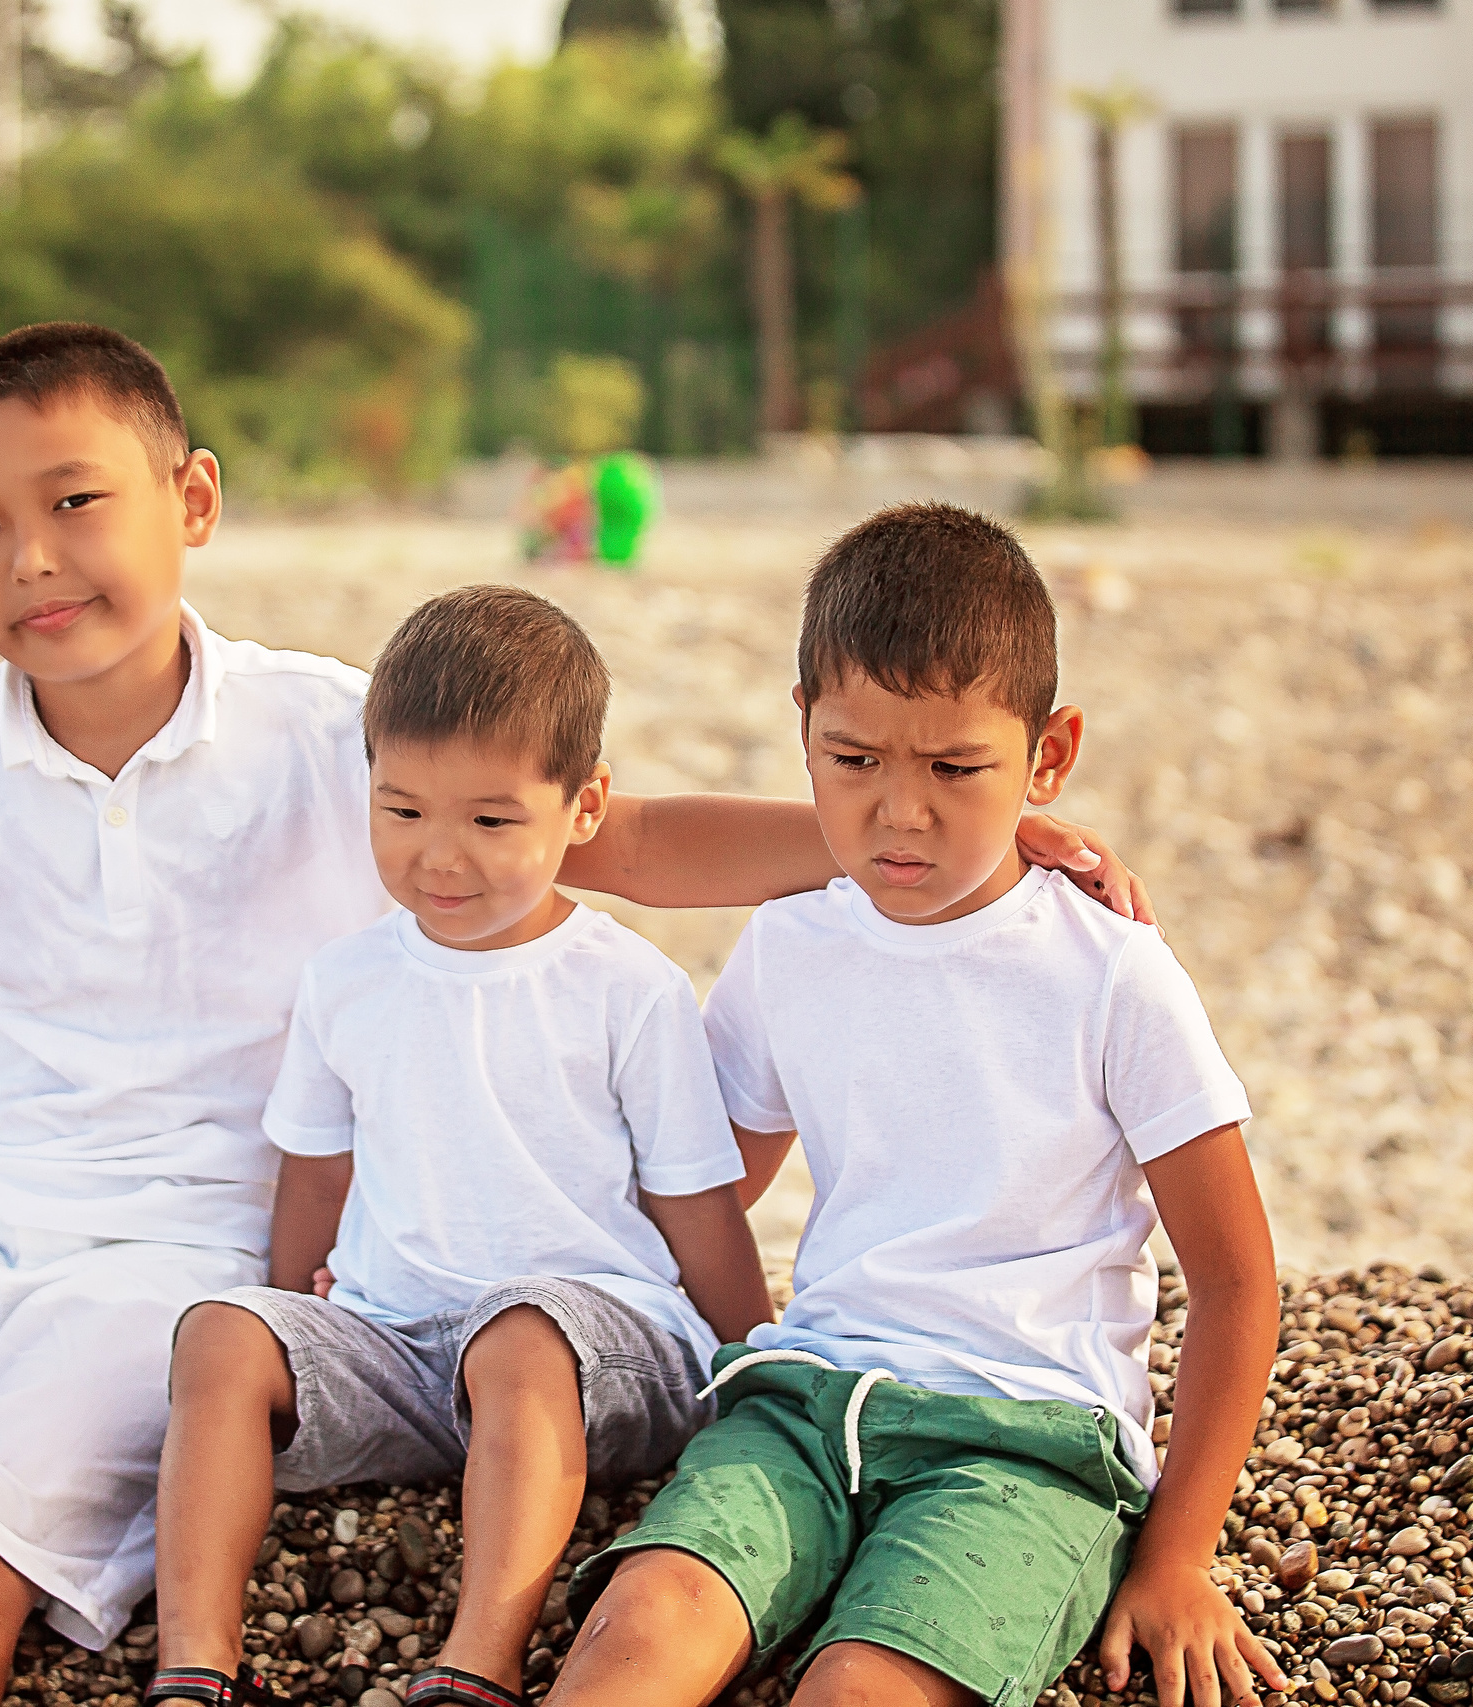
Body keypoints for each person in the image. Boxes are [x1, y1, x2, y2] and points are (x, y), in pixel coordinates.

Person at [0, 324, 1152, 1707]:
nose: (29, 558)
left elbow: (626, 836)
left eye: (75, 503)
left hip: (181, 1242)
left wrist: (947, 831)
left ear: (194, 501)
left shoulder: (332, 730)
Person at [549, 504, 1288, 1707]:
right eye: (855, 761)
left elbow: (1236, 1281)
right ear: (802, 729)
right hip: (803, 1404)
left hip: (1029, 1445)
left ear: (1049, 756)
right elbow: (700, 1190)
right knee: (639, 1632)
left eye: (956, 769)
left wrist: (1177, 1557)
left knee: (857, 1690)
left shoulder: (1110, 971)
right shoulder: (790, 943)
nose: (902, 812)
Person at [149, 586, 777, 1707]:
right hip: (398, 1345)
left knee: (521, 1335)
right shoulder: (346, 982)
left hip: (592, 1348)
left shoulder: (626, 987)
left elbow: (695, 1203)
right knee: (218, 1334)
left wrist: (761, 1364)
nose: (439, 856)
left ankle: (474, 1669)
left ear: (582, 808)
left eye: (490, 822)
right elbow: (315, 1169)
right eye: (402, 812)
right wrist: (292, 1311)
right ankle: (195, 1665)